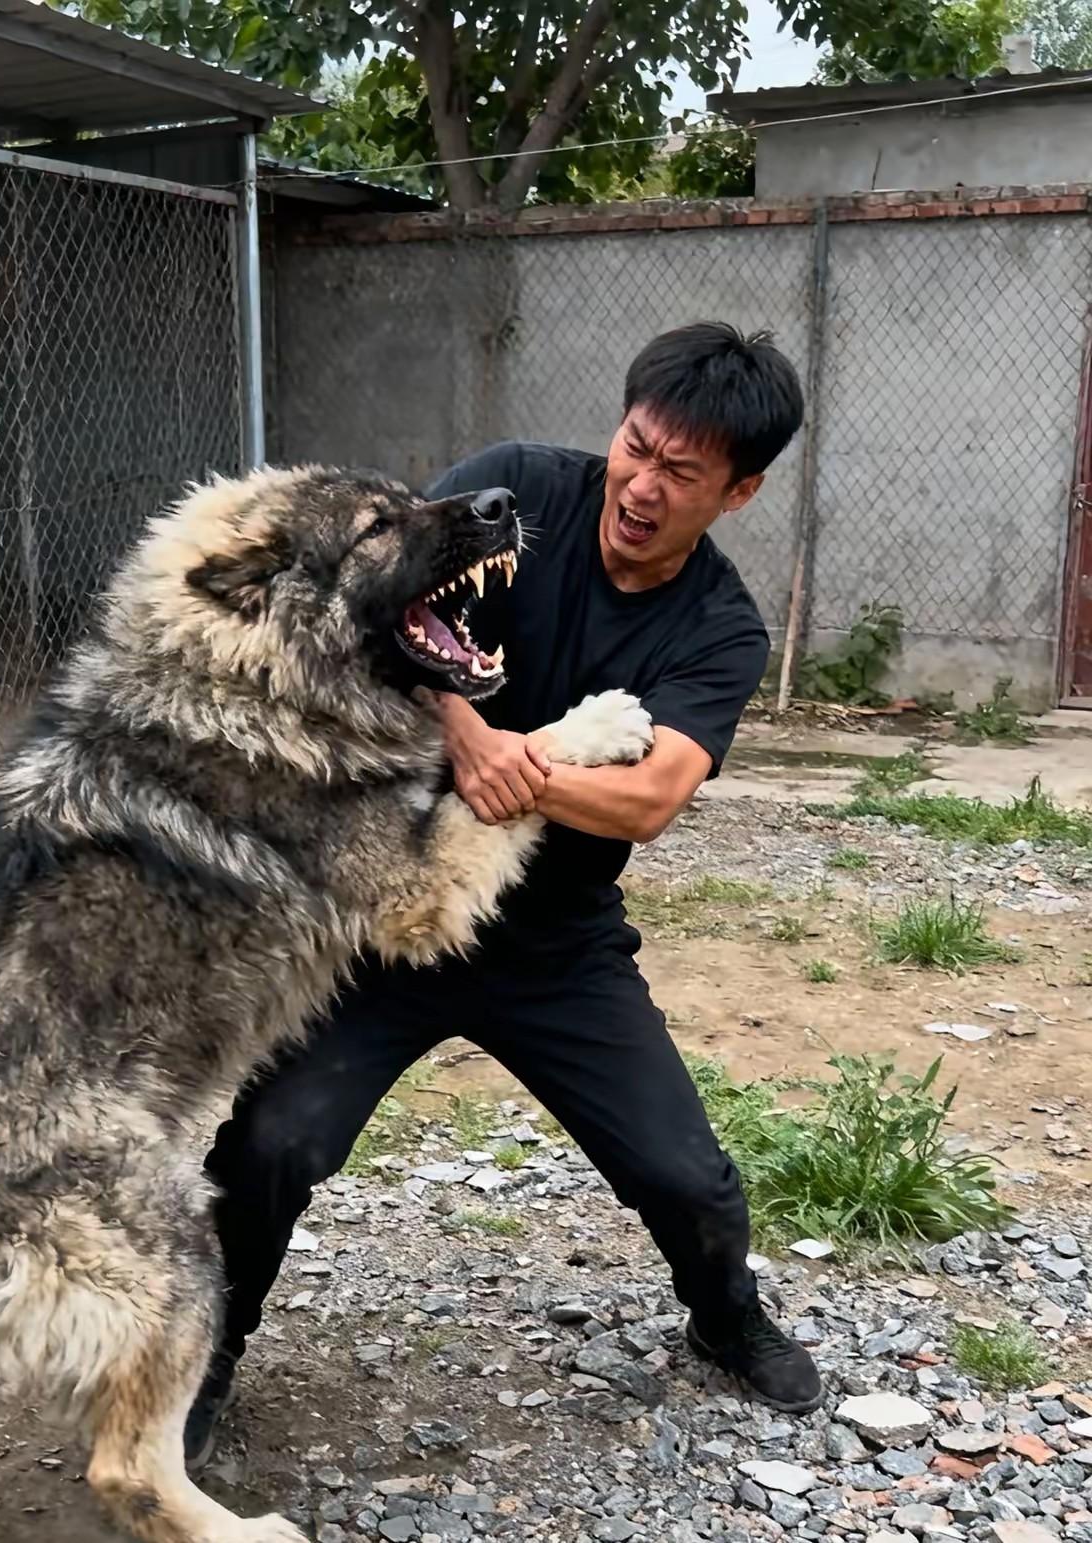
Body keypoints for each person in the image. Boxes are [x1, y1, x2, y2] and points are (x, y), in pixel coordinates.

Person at [185, 321, 821, 1468]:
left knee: (684, 1173)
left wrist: (513, 767)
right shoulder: (517, 487)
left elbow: (648, 799)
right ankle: (204, 1352)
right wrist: (467, 731)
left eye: (681, 474)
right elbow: (368, 616)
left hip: (552, 946)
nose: (641, 484)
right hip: (395, 910)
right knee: (273, 1139)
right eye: (635, 447)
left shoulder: (718, 626)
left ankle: (724, 1313)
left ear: (738, 491)